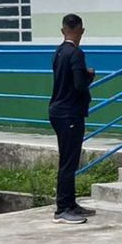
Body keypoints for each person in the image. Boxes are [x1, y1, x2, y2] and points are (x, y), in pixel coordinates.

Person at [48, 14, 96, 224]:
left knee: (67, 159)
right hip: (70, 113)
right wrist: (89, 74)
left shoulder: (58, 52)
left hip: (58, 111)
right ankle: (62, 209)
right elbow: (79, 84)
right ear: (81, 31)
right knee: (69, 161)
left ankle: (71, 203)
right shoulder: (75, 53)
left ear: (62, 30)